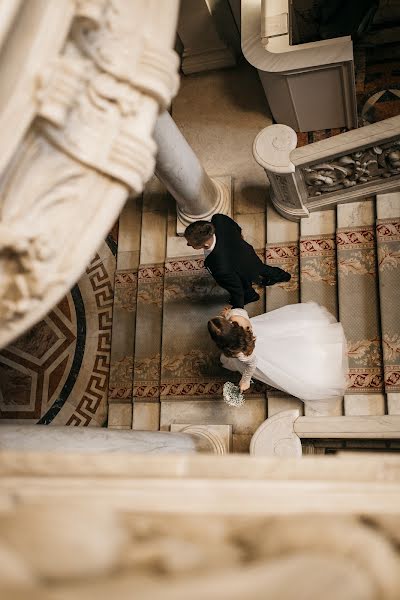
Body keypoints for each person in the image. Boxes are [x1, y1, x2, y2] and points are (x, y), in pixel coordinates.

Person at [207, 303, 348, 402]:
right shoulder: (237, 318)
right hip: (263, 333)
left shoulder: (239, 353)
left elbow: (252, 363)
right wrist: (228, 314)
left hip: (259, 353)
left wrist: (245, 381)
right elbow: (242, 313)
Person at [184, 214, 291, 308]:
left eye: (191, 244)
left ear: (205, 245)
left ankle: (252, 296)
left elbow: (236, 288)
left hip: (242, 265)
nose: (188, 244)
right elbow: (237, 228)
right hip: (246, 252)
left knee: (247, 282)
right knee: (261, 269)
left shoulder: (220, 267)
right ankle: (283, 276)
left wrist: (237, 307)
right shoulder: (218, 219)